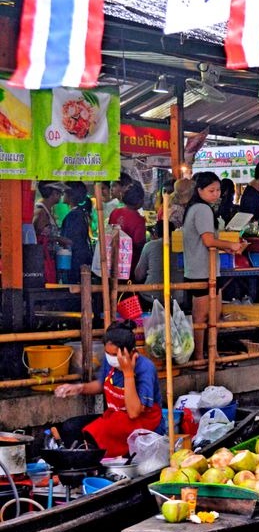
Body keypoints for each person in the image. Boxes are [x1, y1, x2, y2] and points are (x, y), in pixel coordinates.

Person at [54, 322, 163, 457]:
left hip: (143, 425)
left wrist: (128, 373)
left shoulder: (145, 368)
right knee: (71, 427)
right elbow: (102, 384)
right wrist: (79, 388)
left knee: (96, 434)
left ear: (131, 351)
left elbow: (134, 412)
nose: (111, 358)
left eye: (115, 354)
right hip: (115, 416)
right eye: (107, 353)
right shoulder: (110, 361)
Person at [184, 171, 247, 361]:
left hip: (205, 268)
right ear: (200, 190)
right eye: (211, 190)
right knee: (202, 317)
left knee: (212, 316)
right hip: (202, 270)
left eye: (218, 190)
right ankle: (200, 357)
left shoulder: (196, 208)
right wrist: (231, 245)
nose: (216, 194)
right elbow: (208, 240)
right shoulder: (202, 209)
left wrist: (226, 248)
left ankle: (212, 355)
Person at [134, 223, 186, 307]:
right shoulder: (182, 247)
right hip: (178, 298)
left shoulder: (149, 246)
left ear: (155, 234)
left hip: (151, 297)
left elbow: (138, 275)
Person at [109, 182, 148, 279]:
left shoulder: (115, 212)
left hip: (113, 259)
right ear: (139, 201)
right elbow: (139, 244)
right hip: (129, 263)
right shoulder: (139, 220)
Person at [60, 182, 92, 284]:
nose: (62, 195)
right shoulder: (80, 213)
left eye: (64, 192)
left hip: (75, 261)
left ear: (70, 195)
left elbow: (70, 240)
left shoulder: (74, 216)